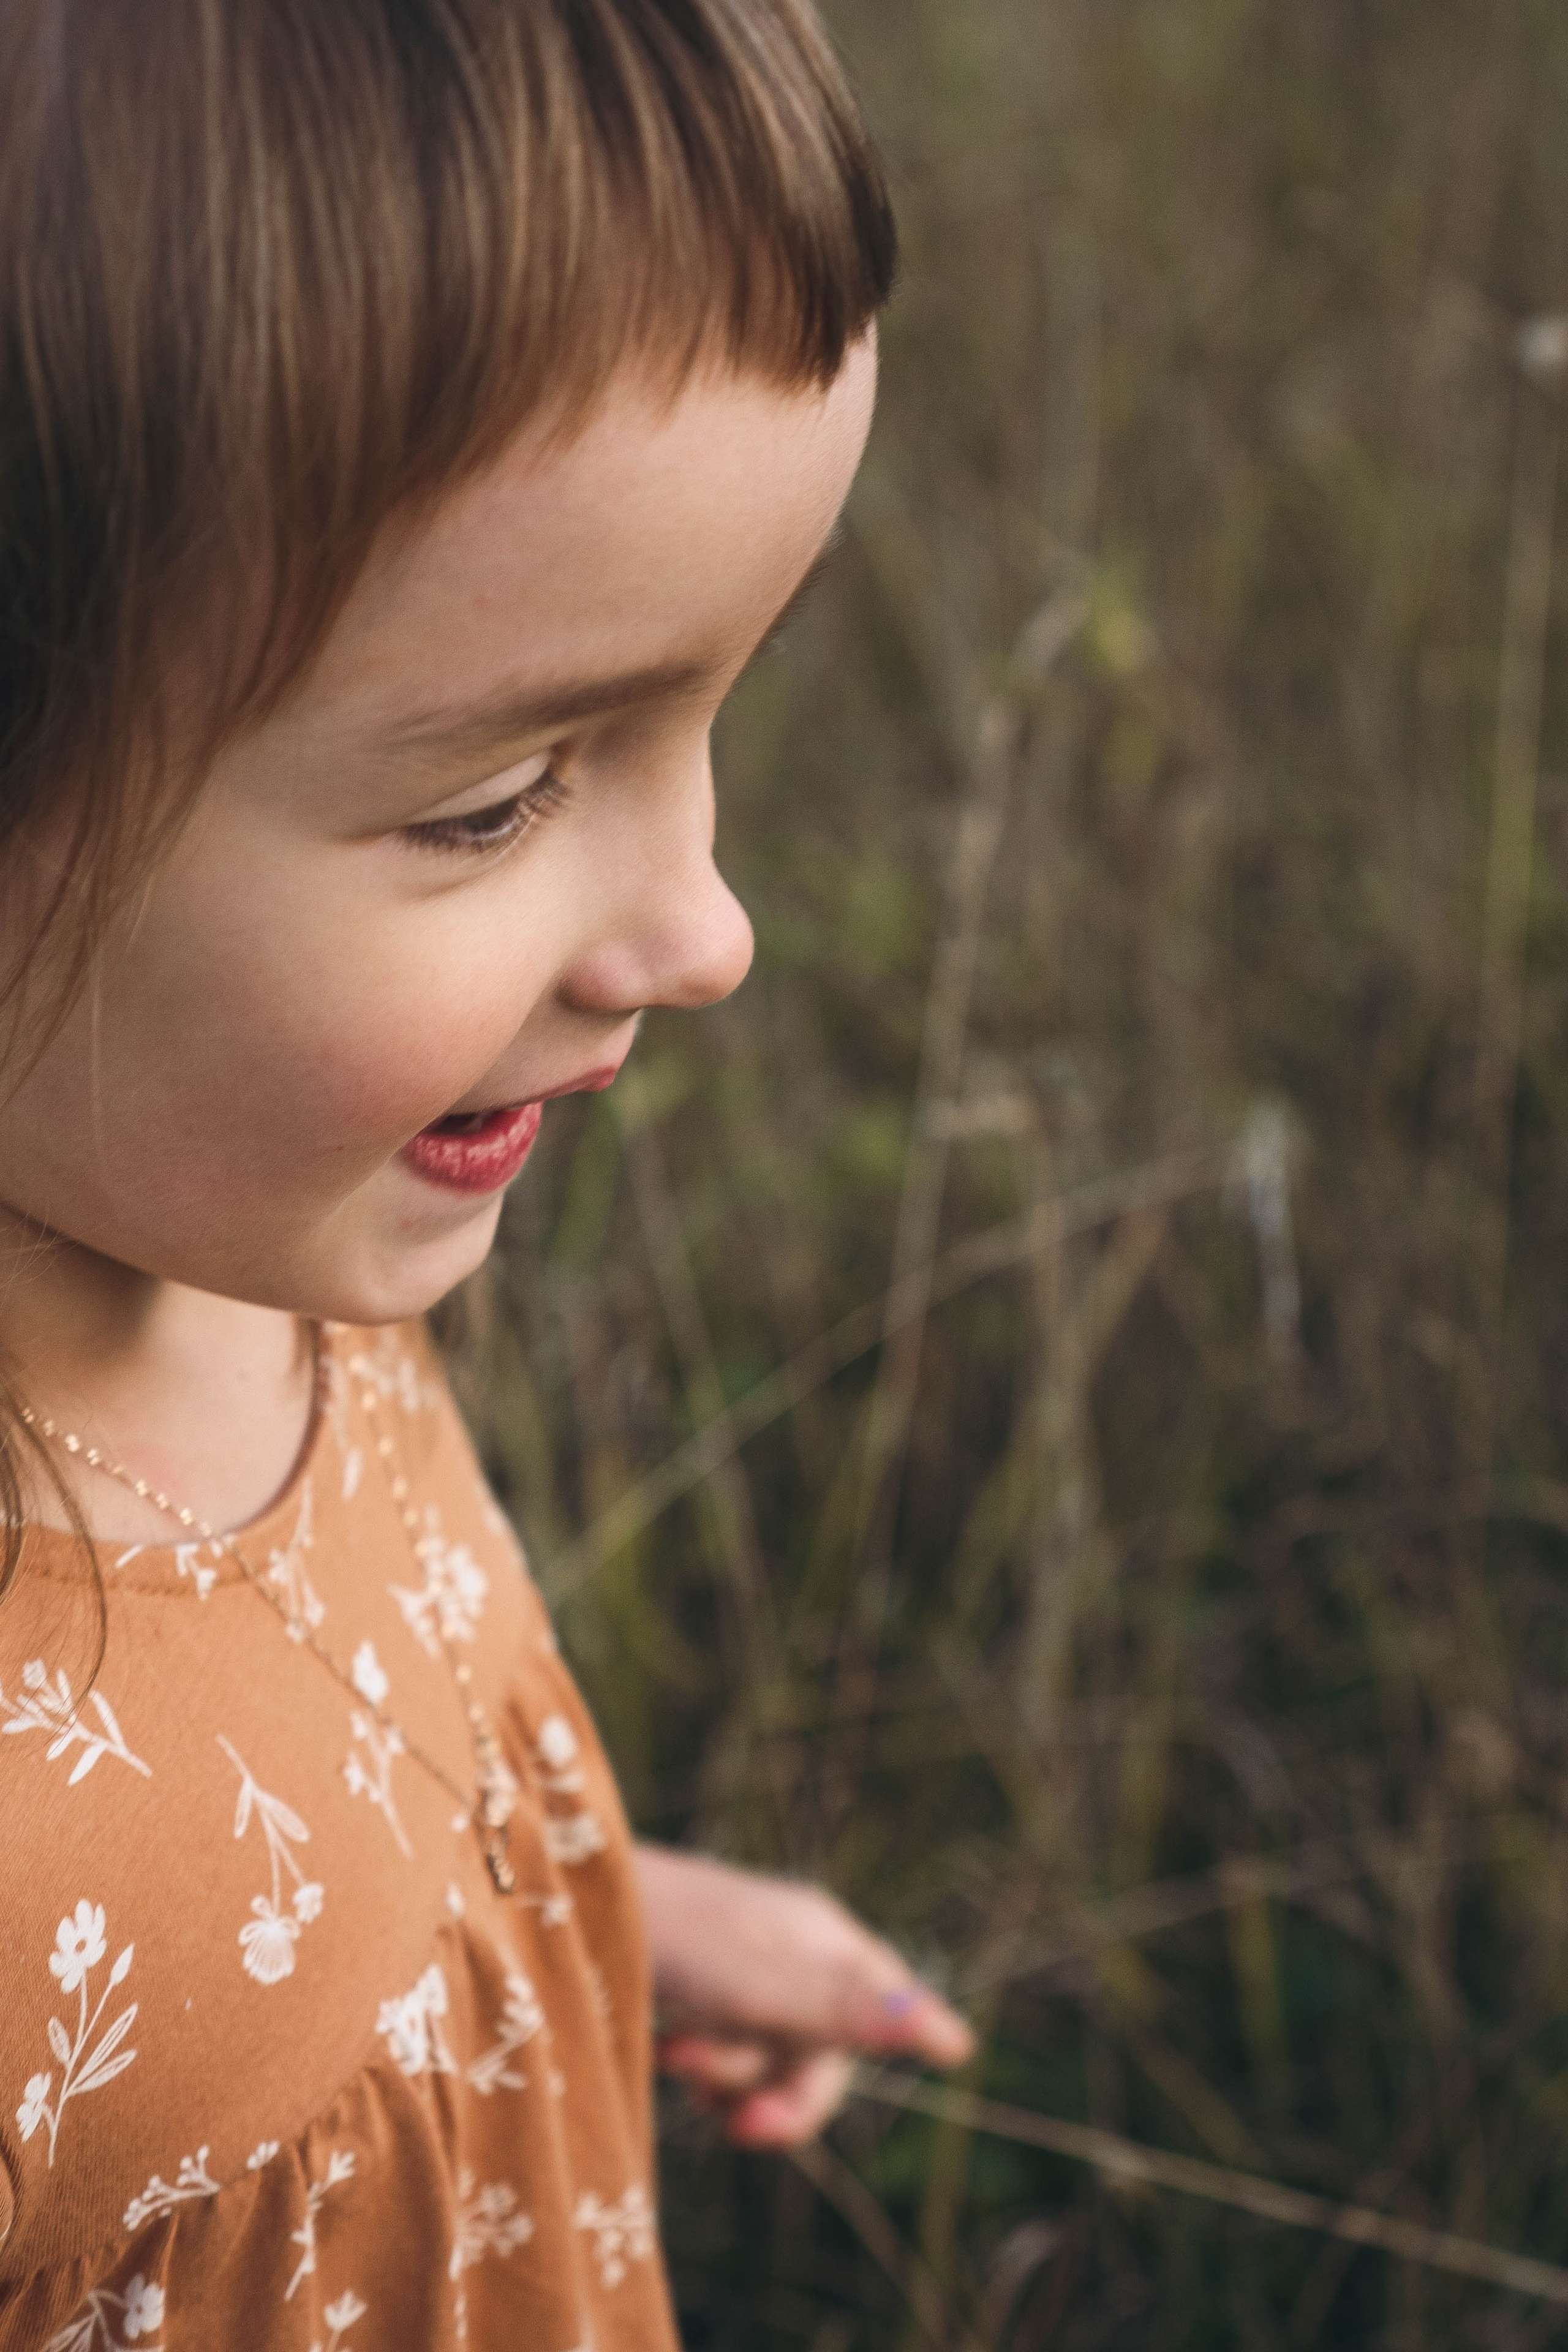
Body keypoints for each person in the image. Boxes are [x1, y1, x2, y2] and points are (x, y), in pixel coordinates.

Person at [0, 1, 973, 2345]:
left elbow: (242, 1842)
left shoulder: (234, 1210)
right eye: (494, 800)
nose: (709, 931)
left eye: (708, 710)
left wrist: (571, 1917)